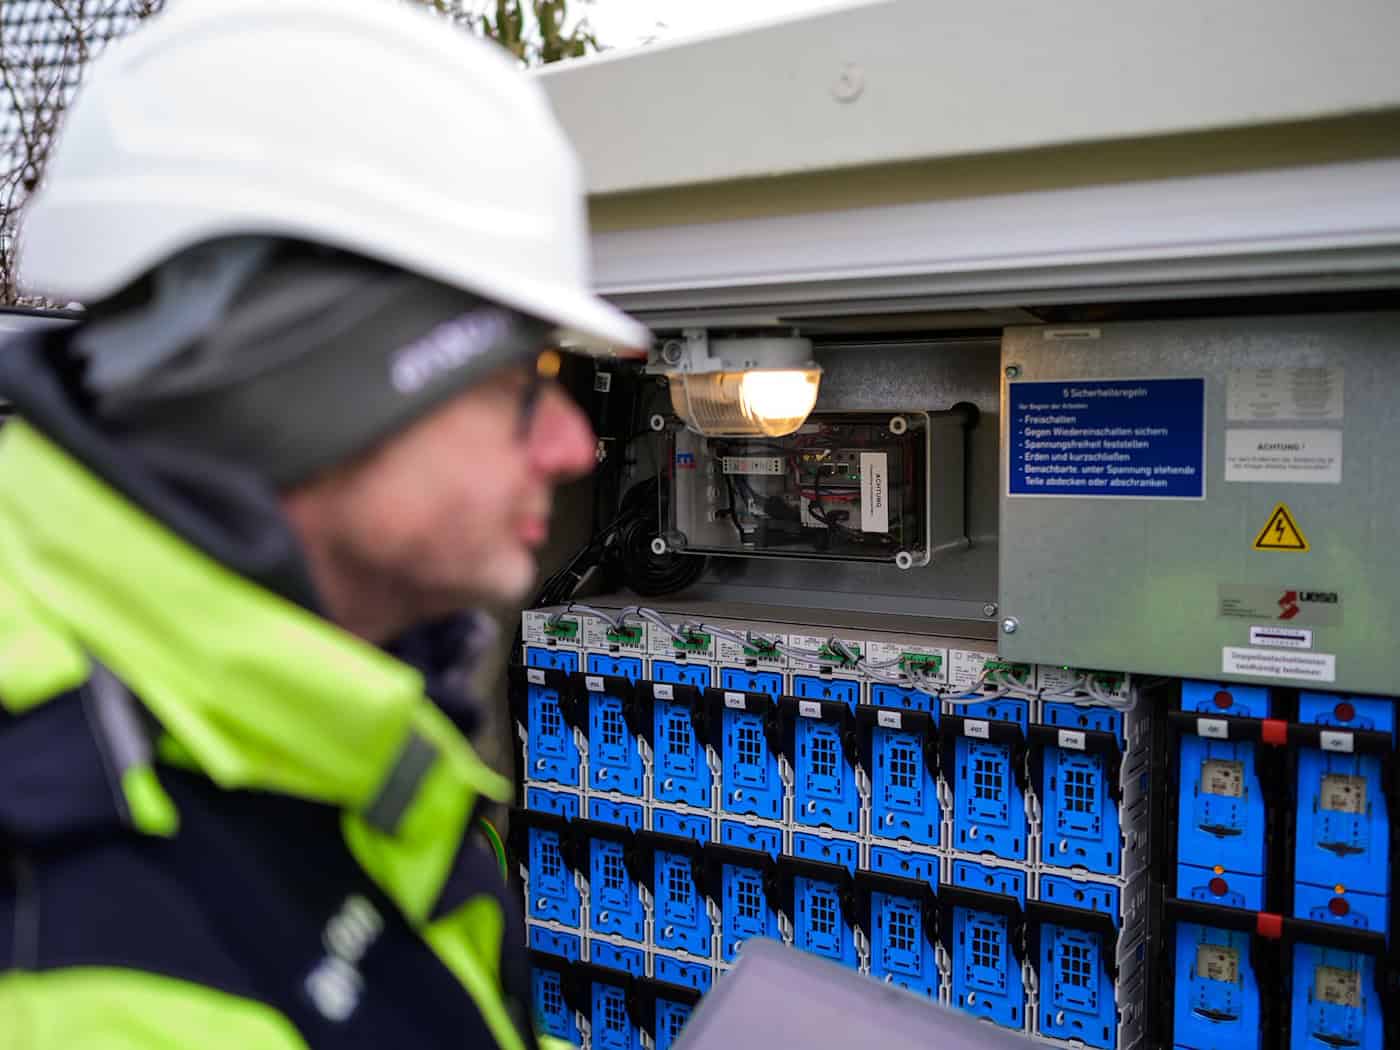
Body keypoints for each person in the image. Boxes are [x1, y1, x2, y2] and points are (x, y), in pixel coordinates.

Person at [0, 1, 648, 1048]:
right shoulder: (71, 951)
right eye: (525, 378)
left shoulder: (326, 700)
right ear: (319, 388)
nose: (574, 447)